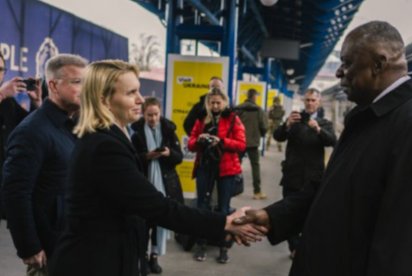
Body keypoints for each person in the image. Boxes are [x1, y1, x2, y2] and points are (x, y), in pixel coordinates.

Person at [234, 21, 412, 276]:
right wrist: (273, 216)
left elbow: (409, 247)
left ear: (379, 64)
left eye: (347, 63)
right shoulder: (369, 116)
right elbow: (330, 189)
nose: (340, 72)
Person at [48, 60, 263, 276]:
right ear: (104, 100)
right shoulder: (104, 146)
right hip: (93, 264)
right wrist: (224, 223)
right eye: (131, 93)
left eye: (138, 91)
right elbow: (157, 207)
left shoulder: (108, 138)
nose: (141, 100)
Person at [2, 54, 87, 275]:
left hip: (71, 242)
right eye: (77, 82)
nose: (85, 89)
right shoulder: (31, 131)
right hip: (49, 249)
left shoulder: (71, 125)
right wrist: (29, 246)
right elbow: (16, 193)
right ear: (54, 86)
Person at [273, 88, 336, 258]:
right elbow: (277, 137)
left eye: (313, 100)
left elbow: (333, 141)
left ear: (319, 102)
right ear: (303, 101)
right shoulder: (294, 120)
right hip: (292, 175)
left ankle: (303, 245)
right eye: (307, 100)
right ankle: (295, 247)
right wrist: (286, 125)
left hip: (313, 178)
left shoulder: (324, 123)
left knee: (310, 214)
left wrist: (318, 130)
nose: (310, 103)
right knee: (288, 213)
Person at [188, 87, 246, 263]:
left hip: (226, 169)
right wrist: (198, 140)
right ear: (208, 103)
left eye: (218, 102)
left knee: (223, 208)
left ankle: (223, 247)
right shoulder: (201, 119)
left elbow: (241, 144)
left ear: (224, 103)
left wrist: (221, 141)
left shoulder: (233, 119)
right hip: (205, 167)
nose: (214, 105)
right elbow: (191, 143)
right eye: (211, 102)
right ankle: (201, 244)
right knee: (202, 207)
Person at [131, 97, 184, 274]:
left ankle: (155, 256)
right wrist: (147, 157)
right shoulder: (135, 132)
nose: (153, 119)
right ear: (143, 114)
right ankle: (143, 257)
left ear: (160, 113)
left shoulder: (169, 130)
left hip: (165, 184)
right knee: (143, 224)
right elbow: (132, 160)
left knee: (159, 224)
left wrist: (168, 154)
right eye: (149, 115)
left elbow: (179, 157)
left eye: (156, 115)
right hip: (144, 183)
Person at [0, 52, 42, 221]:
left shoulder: (9, 103)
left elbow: (31, 129)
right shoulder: (4, 97)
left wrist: (37, 103)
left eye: (1, 69)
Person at [235, 88, 268, 200]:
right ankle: (257, 192)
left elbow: (232, 124)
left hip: (239, 142)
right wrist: (261, 134)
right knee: (255, 166)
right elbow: (264, 126)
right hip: (253, 142)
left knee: (236, 165)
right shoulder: (258, 110)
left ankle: (234, 188)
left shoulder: (238, 108)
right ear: (254, 96)